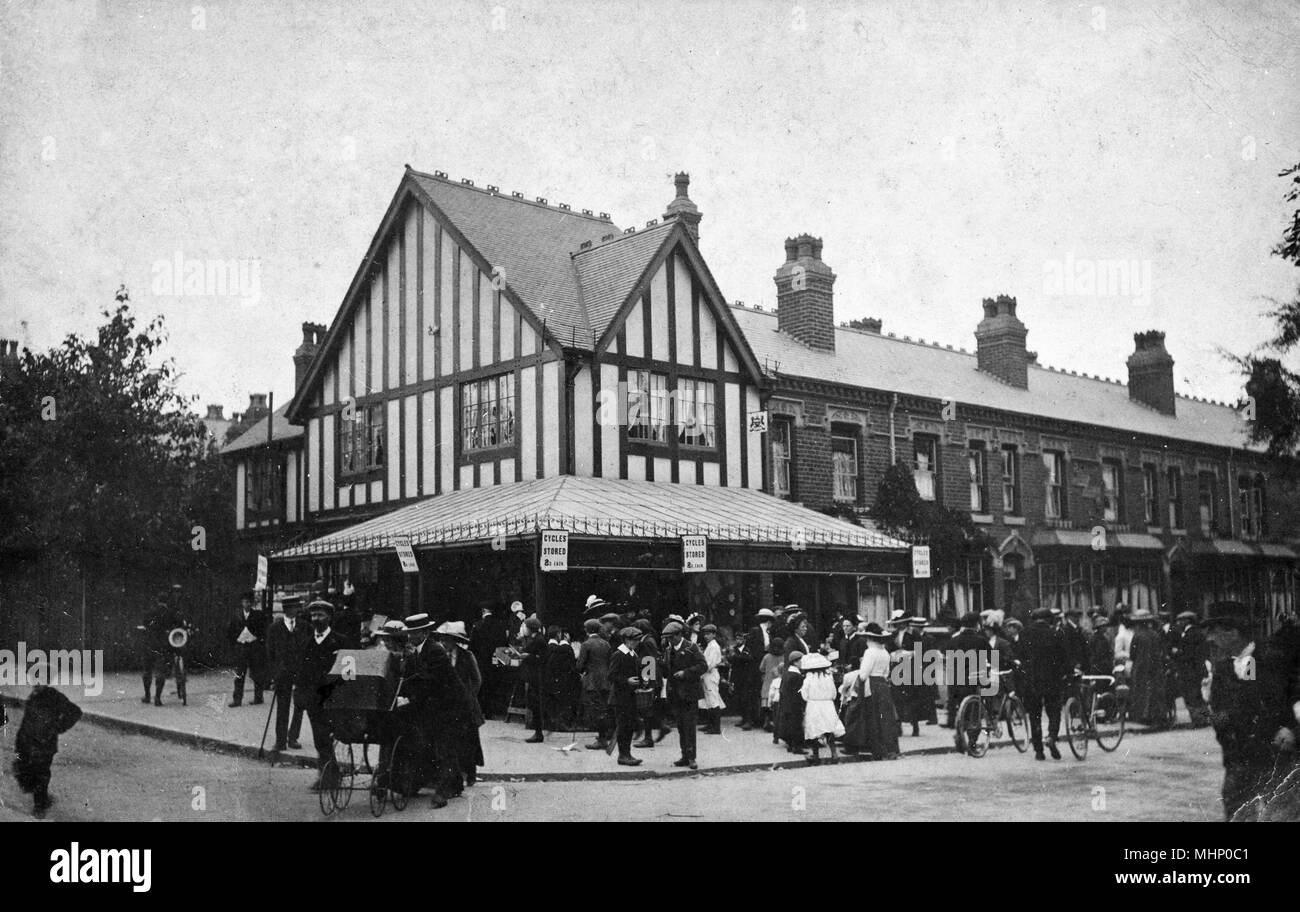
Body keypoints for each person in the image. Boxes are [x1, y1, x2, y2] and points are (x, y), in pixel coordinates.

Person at [1203, 615, 1299, 821]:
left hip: (1276, 759)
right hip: (1239, 762)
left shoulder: (1273, 659)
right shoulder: (1223, 668)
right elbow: (1225, 710)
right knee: (1237, 815)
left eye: (1215, 632)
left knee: (1280, 816)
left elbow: (1294, 698)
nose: (1210, 639)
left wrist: (1292, 729)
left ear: (1233, 633)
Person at [401, 613, 477, 807]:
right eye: (409, 632)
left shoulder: (434, 650)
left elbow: (430, 678)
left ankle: (442, 793)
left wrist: (407, 684)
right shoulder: (418, 650)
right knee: (434, 746)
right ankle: (454, 784)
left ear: (424, 632)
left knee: (445, 749)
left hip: (451, 707)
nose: (411, 636)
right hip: (436, 707)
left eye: (415, 632)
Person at [11, 666, 82, 818]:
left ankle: (39, 806)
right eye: (33, 680)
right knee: (28, 772)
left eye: (40, 680)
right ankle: (42, 799)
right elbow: (26, 722)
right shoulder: (34, 697)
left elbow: (75, 711)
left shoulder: (54, 697)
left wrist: (58, 728)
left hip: (45, 745)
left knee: (41, 774)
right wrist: (20, 741)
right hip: (29, 743)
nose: (36, 684)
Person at [295, 599, 346, 792]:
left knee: (329, 736)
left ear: (329, 617)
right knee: (319, 738)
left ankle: (330, 775)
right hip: (314, 700)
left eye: (320, 615)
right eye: (313, 615)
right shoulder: (307, 643)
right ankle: (327, 775)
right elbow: (301, 672)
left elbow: (348, 671)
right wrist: (300, 695)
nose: (316, 619)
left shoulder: (340, 641)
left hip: (335, 699)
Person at [435, 621, 486, 788]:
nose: (444, 643)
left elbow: (477, 680)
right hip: (448, 705)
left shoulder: (467, 656)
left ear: (454, 641)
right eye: (442, 640)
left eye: (447, 640)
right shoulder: (441, 657)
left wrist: (469, 697)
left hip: (466, 706)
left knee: (469, 741)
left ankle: (470, 774)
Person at [841, 624, 900, 760]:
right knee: (885, 717)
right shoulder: (885, 653)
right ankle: (889, 749)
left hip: (871, 684)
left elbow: (863, 674)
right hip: (883, 685)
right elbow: (886, 672)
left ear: (870, 639)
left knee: (870, 717)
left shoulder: (870, 652)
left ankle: (875, 749)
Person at [1018, 607, 1070, 760]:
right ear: (1049, 619)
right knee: (1054, 711)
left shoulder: (1024, 633)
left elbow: (1020, 655)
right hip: (1052, 679)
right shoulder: (1057, 633)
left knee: (1034, 715)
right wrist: (1067, 672)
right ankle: (1051, 737)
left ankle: (1038, 751)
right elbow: (1064, 657)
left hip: (1031, 680)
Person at [662, 620, 707, 769]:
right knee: (681, 726)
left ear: (679, 635)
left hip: (689, 694)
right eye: (667, 638)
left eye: (671, 637)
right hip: (676, 694)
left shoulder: (691, 647)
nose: (669, 640)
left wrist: (686, 673)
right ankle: (684, 756)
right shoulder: (669, 650)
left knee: (689, 727)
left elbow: (703, 665)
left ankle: (692, 757)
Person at [267, 595, 308, 752]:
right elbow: (270, 654)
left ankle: (293, 737)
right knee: (282, 707)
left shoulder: (304, 626)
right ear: (287, 609)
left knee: (299, 705)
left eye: (297, 607)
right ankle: (280, 740)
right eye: (294, 607)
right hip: (282, 674)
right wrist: (274, 674)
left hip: (300, 672)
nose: (297, 610)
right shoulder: (275, 628)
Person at [944, 613, 989, 736]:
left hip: (956, 680)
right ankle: (973, 739)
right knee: (974, 709)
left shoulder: (953, 641)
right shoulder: (981, 640)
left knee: (960, 706)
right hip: (973, 680)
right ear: (976, 625)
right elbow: (993, 659)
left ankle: (959, 732)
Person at [1128, 610, 1170, 728]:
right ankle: (1159, 716)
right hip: (1156, 667)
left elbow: (1132, 654)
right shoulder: (1155, 634)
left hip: (1141, 668)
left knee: (1142, 692)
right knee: (1156, 691)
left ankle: (1144, 716)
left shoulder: (1137, 635)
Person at [608, 627, 644, 766]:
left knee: (628, 725)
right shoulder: (619, 654)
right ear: (626, 640)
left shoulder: (632, 653)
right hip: (620, 696)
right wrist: (626, 680)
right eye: (634, 640)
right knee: (623, 726)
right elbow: (611, 675)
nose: (636, 643)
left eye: (637, 640)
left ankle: (627, 754)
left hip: (629, 695)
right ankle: (623, 755)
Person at [577, 618, 614, 750]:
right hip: (605, 680)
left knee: (596, 710)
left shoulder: (586, 644)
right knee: (604, 708)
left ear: (587, 630)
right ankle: (604, 736)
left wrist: (582, 670)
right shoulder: (606, 644)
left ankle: (602, 738)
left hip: (592, 681)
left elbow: (580, 665)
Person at [799, 652, 843, 765]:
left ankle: (816, 755)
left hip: (814, 705)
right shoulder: (828, 677)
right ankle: (834, 753)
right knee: (829, 728)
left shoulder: (808, 679)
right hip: (827, 705)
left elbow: (804, 695)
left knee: (814, 730)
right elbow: (834, 693)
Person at [736, 607, 775, 730]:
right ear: (768, 621)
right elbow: (750, 648)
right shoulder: (755, 631)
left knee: (760, 693)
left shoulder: (769, 633)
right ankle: (748, 719)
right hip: (753, 667)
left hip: (763, 666)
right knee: (751, 694)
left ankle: (759, 719)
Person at [228, 591, 269, 708]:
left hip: (254, 648)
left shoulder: (257, 615)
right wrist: (236, 642)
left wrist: (258, 640)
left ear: (252, 603)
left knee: (256, 674)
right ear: (242, 603)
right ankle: (237, 700)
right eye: (245, 602)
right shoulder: (236, 616)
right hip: (241, 648)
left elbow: (262, 631)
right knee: (239, 674)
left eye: (249, 602)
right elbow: (230, 631)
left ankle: (258, 697)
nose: (247, 604)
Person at [1170, 611, 1211, 727]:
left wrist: (1177, 652)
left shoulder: (1189, 635)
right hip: (1198, 668)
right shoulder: (1198, 633)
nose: (1178, 623)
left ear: (1187, 621)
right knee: (1197, 695)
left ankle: (1198, 720)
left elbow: (1188, 655)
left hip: (1189, 670)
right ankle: (1204, 718)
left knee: (1191, 695)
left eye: (1180, 621)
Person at [469, 604, 509, 719]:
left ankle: (481, 709)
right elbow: (504, 644)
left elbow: (472, 646)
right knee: (493, 684)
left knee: (481, 684)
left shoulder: (477, 625)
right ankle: (491, 711)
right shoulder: (500, 625)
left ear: (483, 611)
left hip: (481, 660)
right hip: (496, 659)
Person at [138, 594, 179, 707]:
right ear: (167, 602)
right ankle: (157, 698)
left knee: (147, 671)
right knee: (160, 672)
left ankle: (147, 696)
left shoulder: (149, 612)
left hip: (149, 645)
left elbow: (144, 626)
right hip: (163, 646)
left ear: (157, 600)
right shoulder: (170, 613)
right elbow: (176, 626)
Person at [897, 615, 934, 736]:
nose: (900, 625)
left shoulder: (914, 633)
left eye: (902, 623)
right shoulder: (895, 635)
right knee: (898, 698)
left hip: (911, 668)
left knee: (912, 698)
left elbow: (920, 650)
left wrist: (910, 653)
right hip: (898, 668)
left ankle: (915, 725)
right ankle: (898, 726)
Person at [543, 625, 580, 731]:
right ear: (559, 634)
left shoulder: (548, 647)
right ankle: (562, 723)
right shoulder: (565, 648)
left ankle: (551, 722)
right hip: (563, 678)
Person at [633, 618, 662, 748]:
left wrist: (646, 681)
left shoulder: (647, 642)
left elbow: (649, 661)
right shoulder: (648, 640)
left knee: (646, 709)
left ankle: (648, 738)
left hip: (649, 679)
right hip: (651, 678)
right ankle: (660, 728)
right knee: (647, 708)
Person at [519, 616, 547, 743]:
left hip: (536, 676)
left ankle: (538, 732)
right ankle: (537, 731)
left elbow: (541, 658)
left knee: (535, 703)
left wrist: (528, 656)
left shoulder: (538, 640)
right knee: (534, 703)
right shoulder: (535, 639)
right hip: (534, 675)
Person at [777, 650, 807, 753]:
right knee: (796, 725)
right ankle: (797, 747)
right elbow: (799, 692)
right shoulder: (797, 676)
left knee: (789, 724)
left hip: (786, 704)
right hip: (795, 705)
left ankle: (790, 745)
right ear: (795, 662)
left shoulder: (787, 674)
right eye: (801, 660)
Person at [698, 623, 725, 734]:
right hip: (706, 675)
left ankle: (716, 727)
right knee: (708, 700)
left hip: (710, 674)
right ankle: (710, 724)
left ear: (714, 634)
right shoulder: (710, 646)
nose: (706, 636)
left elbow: (709, 664)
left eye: (708, 634)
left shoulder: (714, 646)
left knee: (713, 700)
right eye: (705, 634)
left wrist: (700, 672)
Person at [758, 636, 785, 733]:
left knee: (766, 704)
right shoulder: (784, 657)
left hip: (768, 683)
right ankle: (775, 723)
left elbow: (761, 668)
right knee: (777, 705)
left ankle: (767, 721)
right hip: (779, 683)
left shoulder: (767, 657)